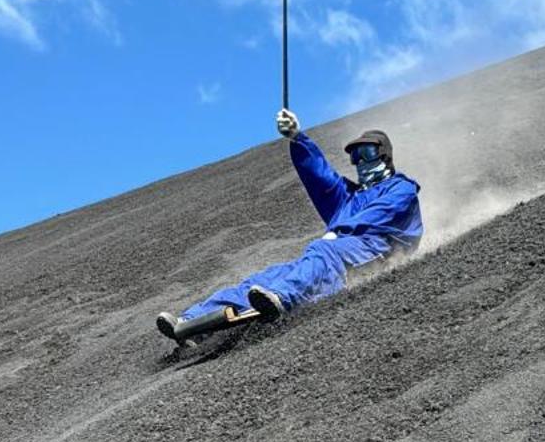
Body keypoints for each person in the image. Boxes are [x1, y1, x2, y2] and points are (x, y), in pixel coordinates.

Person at [156, 108, 423, 345]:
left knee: (323, 251)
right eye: (355, 157)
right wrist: (297, 137)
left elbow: (382, 211)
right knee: (266, 277)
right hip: (337, 251)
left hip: (378, 251)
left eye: (366, 153)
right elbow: (320, 176)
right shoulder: (349, 197)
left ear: (384, 154)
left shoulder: (402, 187)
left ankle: (283, 298)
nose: (360, 162)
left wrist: (340, 232)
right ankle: (192, 322)